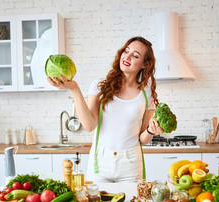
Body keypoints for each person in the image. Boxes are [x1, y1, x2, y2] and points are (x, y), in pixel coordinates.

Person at [47, 36, 163, 183]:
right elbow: (89, 126)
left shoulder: (146, 94)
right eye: (126, 51)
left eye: (135, 55)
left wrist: (151, 131)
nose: (127, 57)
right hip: (99, 164)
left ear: (144, 65)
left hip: (131, 164)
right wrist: (74, 89)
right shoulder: (99, 86)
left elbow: (142, 139)